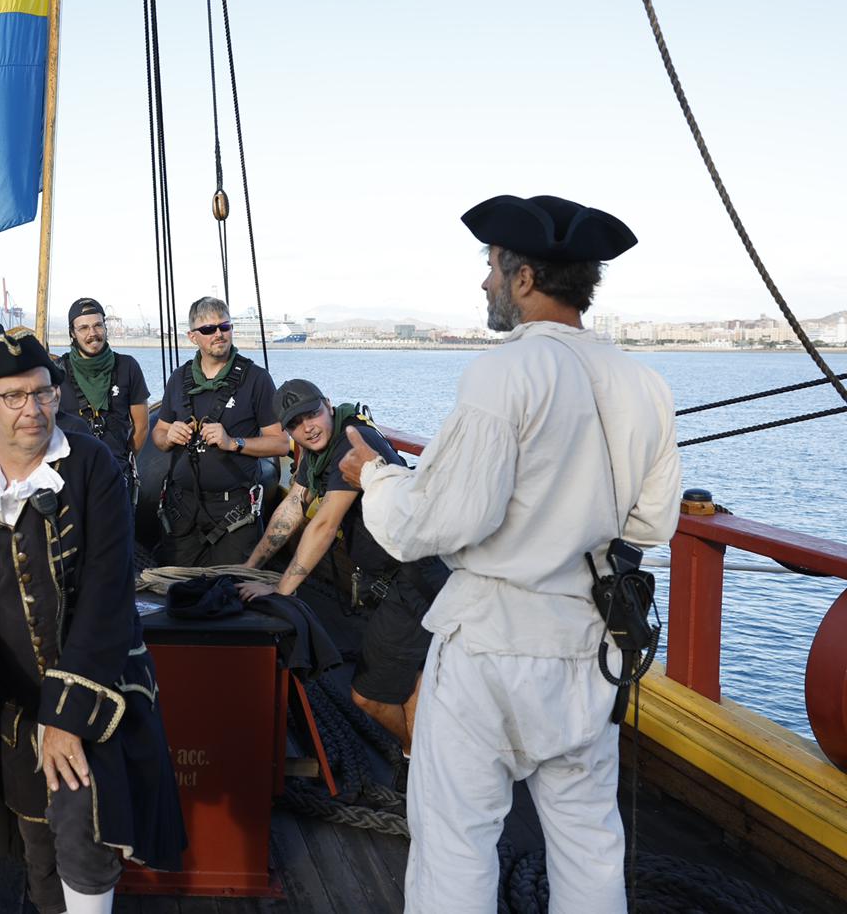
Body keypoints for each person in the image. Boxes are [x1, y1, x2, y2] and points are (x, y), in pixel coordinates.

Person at [338, 195, 681, 913]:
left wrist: (373, 474)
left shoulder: (503, 376)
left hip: (490, 649)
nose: (485, 285)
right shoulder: (646, 385)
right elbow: (652, 521)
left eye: (491, 270)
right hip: (589, 649)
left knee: (456, 847)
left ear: (524, 278)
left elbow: (432, 522)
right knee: (591, 851)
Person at [0, 332, 185, 914]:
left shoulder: (93, 467)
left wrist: (66, 715)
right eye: (13, 397)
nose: (33, 409)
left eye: (41, 393)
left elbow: (109, 596)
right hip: (11, 702)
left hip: (94, 684)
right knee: (36, 842)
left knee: (84, 833)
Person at [239, 379, 447, 760]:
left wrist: (282, 590)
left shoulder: (350, 446)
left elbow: (323, 525)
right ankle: (418, 761)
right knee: (409, 678)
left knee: (367, 694)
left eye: (313, 414)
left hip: (415, 578)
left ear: (329, 405)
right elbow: (293, 508)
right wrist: (250, 567)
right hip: (392, 582)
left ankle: (416, 761)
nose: (308, 427)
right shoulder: (316, 453)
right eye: (296, 423)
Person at [150, 297, 283, 567]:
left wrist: (233, 442)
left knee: (233, 594)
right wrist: (168, 436)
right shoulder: (178, 378)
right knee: (177, 592)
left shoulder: (256, 379)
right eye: (209, 329)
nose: (219, 334)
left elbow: (281, 443)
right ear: (192, 337)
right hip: (182, 510)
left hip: (234, 512)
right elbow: (159, 433)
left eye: (224, 326)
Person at [57, 297, 150, 502]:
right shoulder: (57, 372)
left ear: (105, 327)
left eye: (98, 325)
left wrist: (124, 458)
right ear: (72, 333)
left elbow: (142, 426)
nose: (92, 334)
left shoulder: (127, 367)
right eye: (83, 328)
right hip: (72, 477)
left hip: (116, 475)